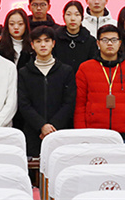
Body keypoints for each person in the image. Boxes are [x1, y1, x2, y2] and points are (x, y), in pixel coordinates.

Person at [74, 24, 125, 139]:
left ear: (120, 43)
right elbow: (80, 104)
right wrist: (81, 133)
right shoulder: (85, 68)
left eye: (114, 40)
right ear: (98, 43)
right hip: (93, 133)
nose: (110, 43)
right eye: (105, 40)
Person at [17, 26, 76, 157]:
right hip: (33, 133)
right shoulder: (24, 73)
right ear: (32, 45)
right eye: (38, 41)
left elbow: (69, 103)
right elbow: (24, 104)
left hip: (60, 132)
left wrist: (52, 127)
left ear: (53, 44)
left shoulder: (66, 71)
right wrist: (41, 126)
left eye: (47, 40)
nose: (43, 45)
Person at [54, 0, 98, 72]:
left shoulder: (90, 41)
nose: (72, 19)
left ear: (82, 18)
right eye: (68, 14)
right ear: (63, 17)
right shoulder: (55, 38)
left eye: (77, 15)